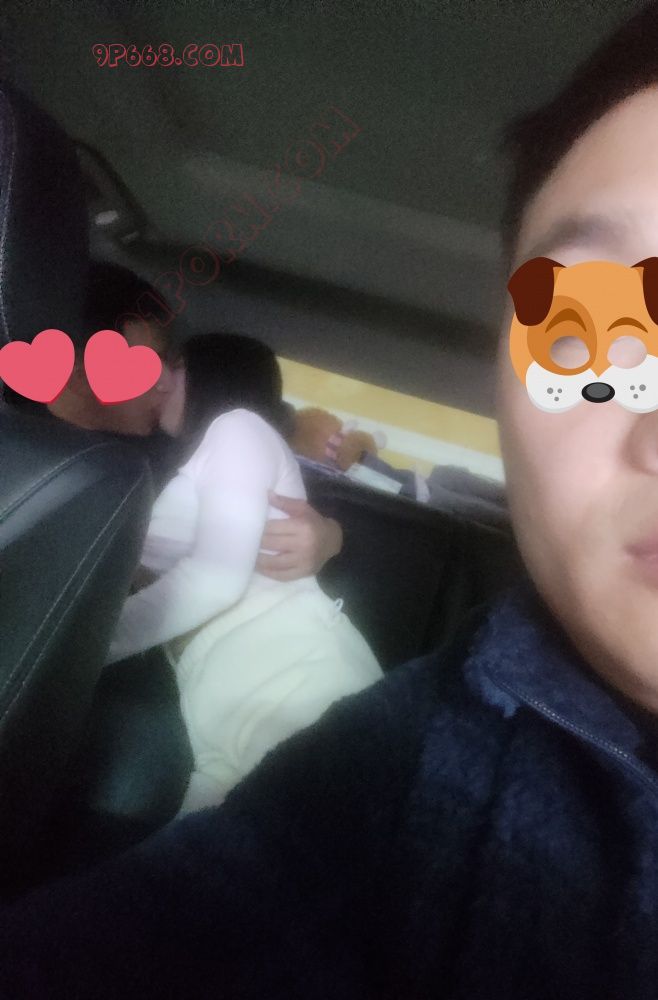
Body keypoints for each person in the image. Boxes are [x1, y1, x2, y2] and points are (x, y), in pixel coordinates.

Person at [4, 4, 658, 997]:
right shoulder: (403, 776)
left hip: (275, 678)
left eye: (154, 360)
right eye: (583, 332)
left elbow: (209, 577)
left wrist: (72, 639)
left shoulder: (224, 443)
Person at [108, 333, 382, 813]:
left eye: (177, 365)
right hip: (214, 696)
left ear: (216, 373)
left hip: (295, 677)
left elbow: (215, 580)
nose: (161, 380)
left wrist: (86, 643)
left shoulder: (239, 429)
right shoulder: (171, 460)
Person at [2, 261, 345, 581]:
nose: (165, 381)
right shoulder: (15, 445)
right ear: (80, 374)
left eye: (168, 361)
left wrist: (327, 537)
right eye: (147, 363)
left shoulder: (168, 457)